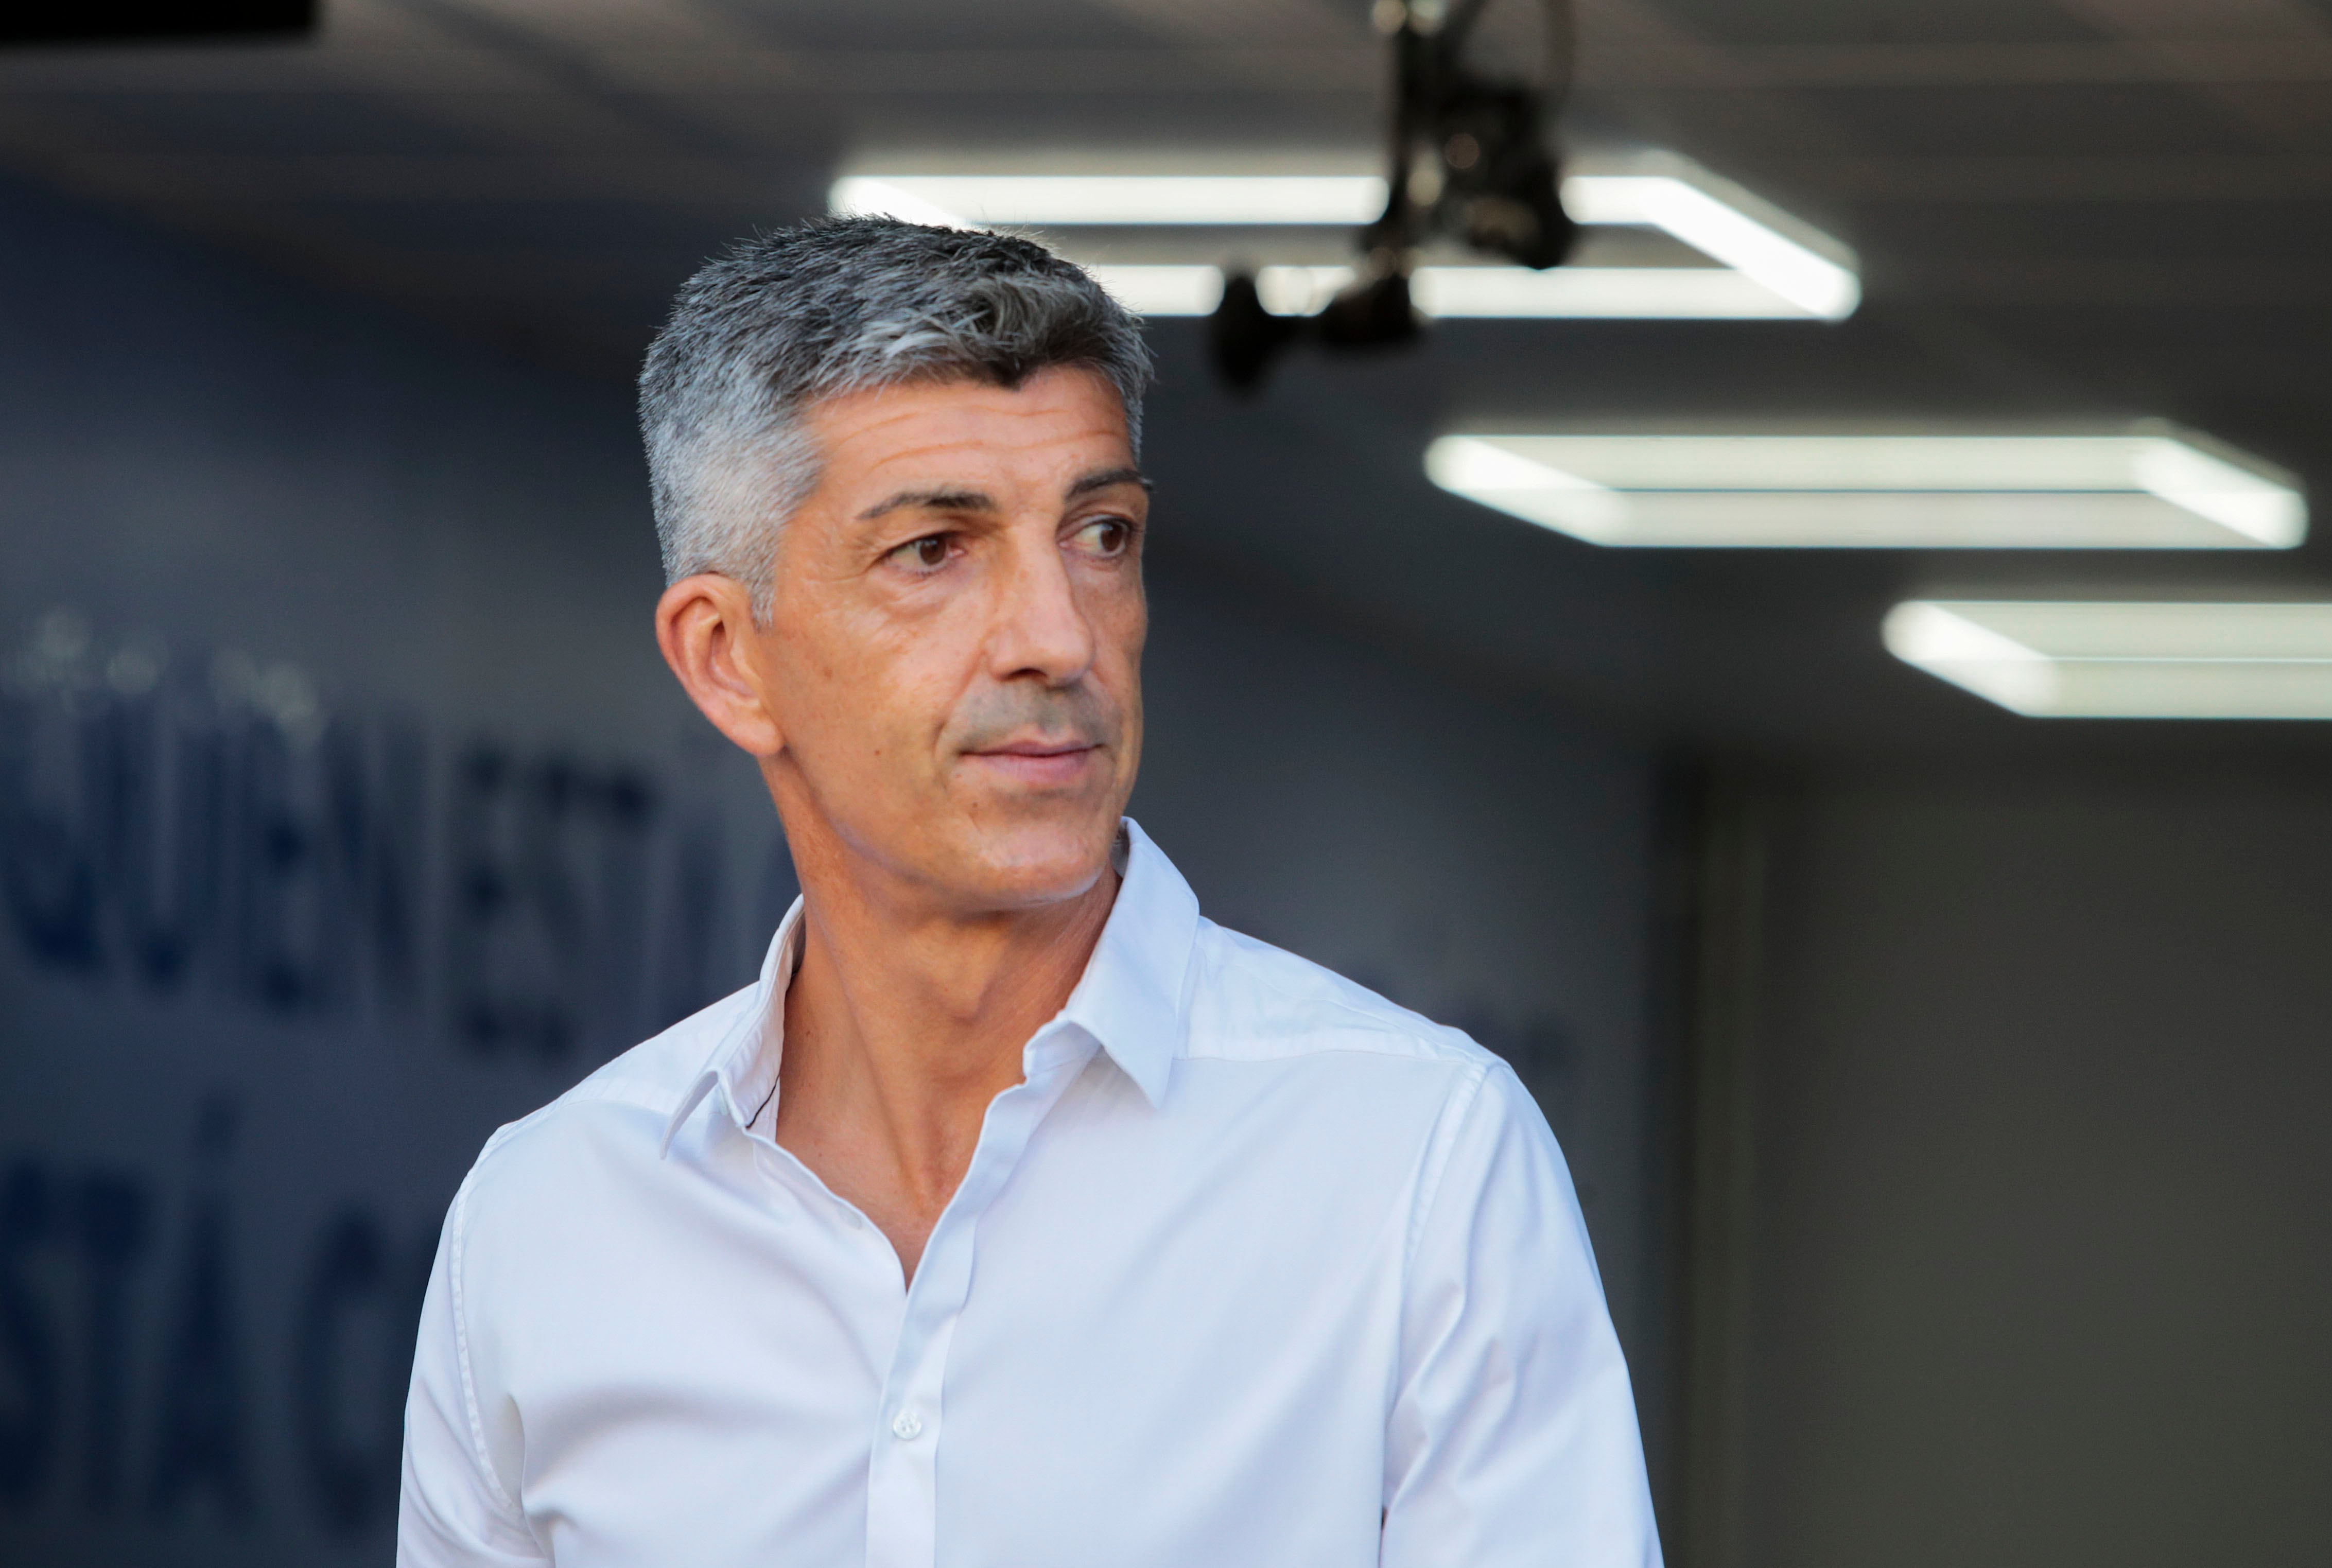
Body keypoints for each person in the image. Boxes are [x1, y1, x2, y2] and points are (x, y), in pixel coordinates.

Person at [397, 217, 1660, 1568]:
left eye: (1100, 534)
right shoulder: (547, 1224)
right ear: (726, 659)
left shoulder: (1412, 1164)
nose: (1059, 637)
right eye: (934, 549)